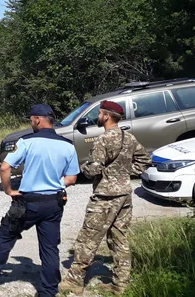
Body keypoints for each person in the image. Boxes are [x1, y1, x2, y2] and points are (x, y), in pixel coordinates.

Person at [0, 104, 80, 297]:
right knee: (49, 247)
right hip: (53, 202)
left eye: (31, 119)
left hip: (27, 202)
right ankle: (48, 291)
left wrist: (9, 190)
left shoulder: (27, 142)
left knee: (5, 237)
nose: (31, 122)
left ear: (38, 119)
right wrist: (56, 184)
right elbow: (72, 178)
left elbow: (5, 167)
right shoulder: (67, 145)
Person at [59, 100, 150, 296]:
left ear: (106, 116)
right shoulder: (129, 137)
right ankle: (120, 284)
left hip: (105, 196)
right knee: (119, 238)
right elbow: (145, 160)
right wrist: (124, 173)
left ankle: (75, 282)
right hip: (124, 194)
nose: (98, 117)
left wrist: (82, 168)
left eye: (99, 114)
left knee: (88, 239)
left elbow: (94, 169)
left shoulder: (103, 139)